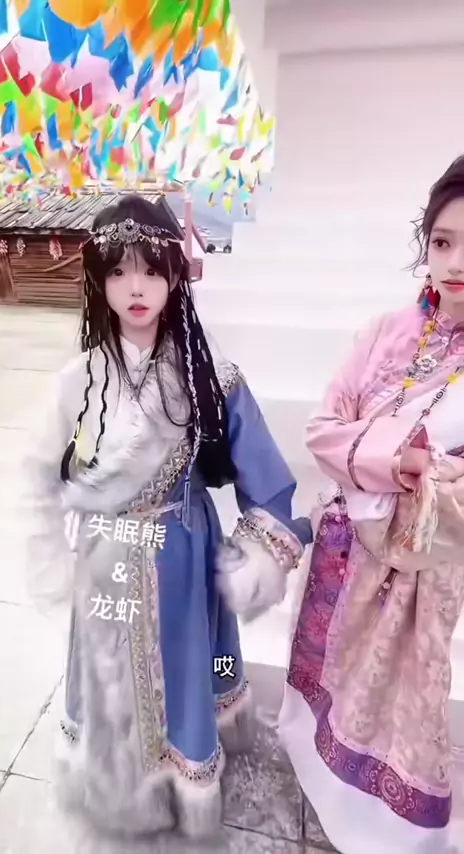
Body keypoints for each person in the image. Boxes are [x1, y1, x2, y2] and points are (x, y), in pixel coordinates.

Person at [21, 195, 312, 843]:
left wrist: (252, 557)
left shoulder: (213, 378)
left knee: (182, 669)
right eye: (119, 271)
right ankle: (117, 782)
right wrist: (57, 551)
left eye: (151, 270)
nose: (136, 288)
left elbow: (267, 482)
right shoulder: (78, 381)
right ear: (98, 281)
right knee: (107, 674)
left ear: (175, 276)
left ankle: (183, 775)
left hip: (180, 554)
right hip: (105, 560)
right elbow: (47, 474)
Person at [279, 155, 464, 854]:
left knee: (397, 703)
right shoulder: (385, 331)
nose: (455, 263)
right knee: (330, 679)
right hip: (344, 549)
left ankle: (384, 828)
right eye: (442, 241)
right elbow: (322, 430)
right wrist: (401, 461)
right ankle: (321, 789)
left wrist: (425, 475)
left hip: (424, 569)